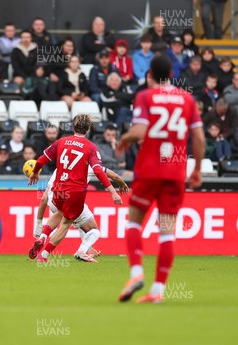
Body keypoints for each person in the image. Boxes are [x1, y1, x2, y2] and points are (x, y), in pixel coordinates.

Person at [115, 55, 205, 303]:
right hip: (175, 171)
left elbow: (141, 131)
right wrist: (196, 169)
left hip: (150, 170)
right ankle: (157, 291)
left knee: (134, 222)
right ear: (172, 74)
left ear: (150, 75)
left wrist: (124, 139)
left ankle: (136, 273)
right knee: (167, 233)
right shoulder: (187, 99)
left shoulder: (145, 96)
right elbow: (198, 139)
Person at [28, 114, 122, 262]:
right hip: (75, 192)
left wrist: (35, 173)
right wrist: (113, 192)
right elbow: (98, 171)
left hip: (58, 189)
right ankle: (44, 255)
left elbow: (41, 159)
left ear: (73, 126)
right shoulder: (90, 147)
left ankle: (43, 237)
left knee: (59, 213)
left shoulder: (61, 142)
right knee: (65, 224)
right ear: (89, 128)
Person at [33, 166, 129, 262]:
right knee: (92, 230)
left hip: (53, 200)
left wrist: (38, 225)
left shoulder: (60, 166)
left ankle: (43, 237)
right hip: (71, 200)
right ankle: (78, 252)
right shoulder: (88, 165)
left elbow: (44, 198)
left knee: (79, 222)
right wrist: (122, 184)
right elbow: (114, 176)